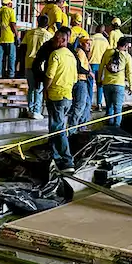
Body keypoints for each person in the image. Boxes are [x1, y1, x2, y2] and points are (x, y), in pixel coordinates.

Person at [43, 28, 78, 169]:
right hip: (67, 96)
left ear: (63, 40)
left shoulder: (55, 55)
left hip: (56, 95)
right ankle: (54, 155)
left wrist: (45, 89)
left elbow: (50, 76)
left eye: (56, 38)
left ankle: (67, 159)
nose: (53, 41)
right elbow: (75, 79)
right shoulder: (72, 56)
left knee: (58, 128)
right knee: (55, 127)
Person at [21, 13, 52, 118]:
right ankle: (36, 110)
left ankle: (30, 108)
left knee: (31, 88)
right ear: (47, 24)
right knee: (39, 88)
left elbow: (23, 47)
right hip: (40, 65)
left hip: (28, 62)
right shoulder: (48, 35)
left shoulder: (29, 33)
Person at [98, 36, 132, 127]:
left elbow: (101, 67)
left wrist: (99, 80)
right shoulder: (127, 56)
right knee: (118, 109)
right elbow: (129, 72)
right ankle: (116, 129)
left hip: (107, 84)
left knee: (109, 108)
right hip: (119, 85)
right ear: (126, 46)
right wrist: (131, 86)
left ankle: (108, 128)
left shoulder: (107, 53)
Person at [67, 36, 92, 133]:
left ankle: (81, 125)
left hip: (82, 81)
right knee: (79, 106)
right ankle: (73, 129)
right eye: (87, 43)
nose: (89, 46)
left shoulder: (82, 53)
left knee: (87, 104)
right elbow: (79, 67)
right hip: (80, 81)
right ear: (81, 44)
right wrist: (88, 72)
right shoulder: (80, 53)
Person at [88, 24, 109, 110]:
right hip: (101, 65)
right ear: (103, 31)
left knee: (90, 84)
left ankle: (89, 104)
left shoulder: (91, 38)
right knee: (100, 84)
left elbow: (88, 51)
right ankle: (99, 104)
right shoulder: (105, 41)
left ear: (96, 29)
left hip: (92, 64)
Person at [0, 0, 18, 78]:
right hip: (9, 37)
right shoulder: (10, 11)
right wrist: (16, 35)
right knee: (11, 57)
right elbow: (13, 24)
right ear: (9, 3)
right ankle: (11, 74)